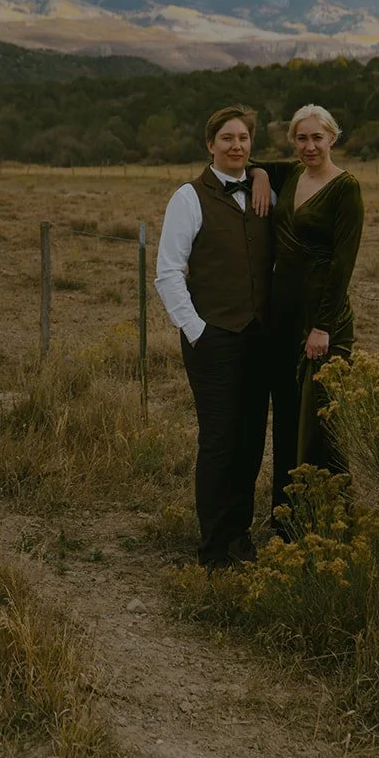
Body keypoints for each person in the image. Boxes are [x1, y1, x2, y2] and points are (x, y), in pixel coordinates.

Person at [155, 104, 273, 569]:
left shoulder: (266, 192)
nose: (236, 146)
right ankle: (214, 549)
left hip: (259, 337)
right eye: (227, 138)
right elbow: (167, 273)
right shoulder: (188, 197)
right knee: (219, 440)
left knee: (250, 440)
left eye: (243, 139)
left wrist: (261, 173)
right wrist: (197, 330)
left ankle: (240, 537)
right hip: (214, 338)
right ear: (210, 145)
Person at [253, 105, 364, 519]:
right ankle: (288, 521)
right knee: (285, 418)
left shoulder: (345, 188)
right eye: (301, 138)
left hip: (322, 321)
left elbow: (343, 263)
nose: (310, 146)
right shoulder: (292, 174)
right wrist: (263, 175)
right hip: (283, 315)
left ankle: (328, 521)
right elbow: (243, 160)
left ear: (332, 138)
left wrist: (322, 326)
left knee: (321, 423)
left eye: (317, 137)